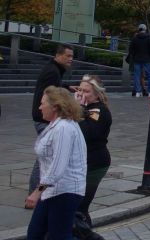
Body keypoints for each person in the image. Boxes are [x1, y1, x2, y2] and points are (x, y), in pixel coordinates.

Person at [25, 87, 87, 240]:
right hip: (52, 191)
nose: (39, 107)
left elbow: (57, 168)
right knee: (35, 234)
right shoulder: (56, 125)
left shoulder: (63, 128)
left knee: (59, 236)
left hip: (66, 191)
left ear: (55, 106)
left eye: (42, 103)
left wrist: (37, 191)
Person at [29, 45, 74, 195]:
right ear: (58, 55)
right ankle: (35, 191)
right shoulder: (52, 71)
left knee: (47, 153)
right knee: (45, 155)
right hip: (44, 118)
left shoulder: (54, 70)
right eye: (68, 56)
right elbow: (51, 95)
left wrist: (67, 86)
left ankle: (39, 189)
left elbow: (55, 88)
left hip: (44, 117)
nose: (70, 59)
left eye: (72, 56)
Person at [76, 75, 112, 230]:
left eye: (87, 91)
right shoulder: (87, 109)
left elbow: (87, 133)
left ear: (97, 94)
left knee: (80, 207)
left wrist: (78, 110)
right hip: (84, 161)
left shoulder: (98, 111)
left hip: (95, 163)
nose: (83, 94)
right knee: (77, 208)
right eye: (80, 90)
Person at [128, 25, 150, 97]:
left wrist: (134, 56)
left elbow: (131, 49)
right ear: (145, 29)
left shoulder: (135, 38)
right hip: (147, 59)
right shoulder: (149, 37)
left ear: (139, 29)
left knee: (137, 75)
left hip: (137, 59)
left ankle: (138, 92)